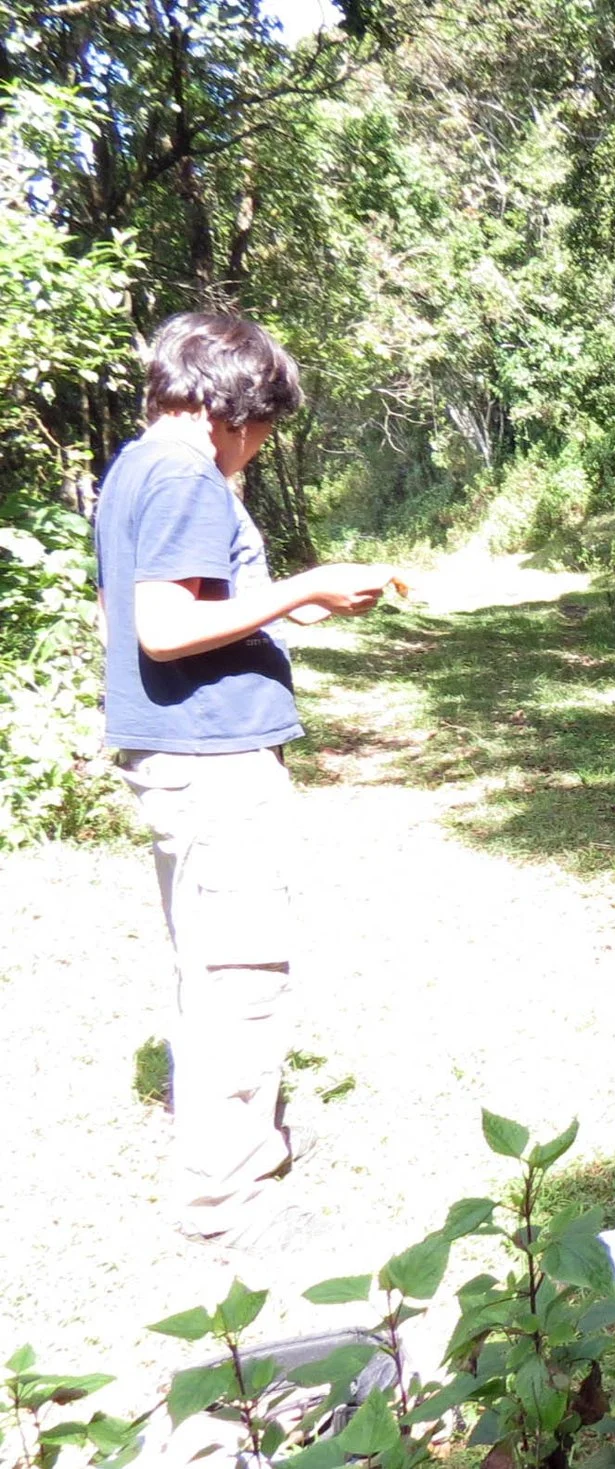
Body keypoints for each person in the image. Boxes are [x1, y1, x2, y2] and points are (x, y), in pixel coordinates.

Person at [93, 312, 399, 1245]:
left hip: (182, 753)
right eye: (263, 427)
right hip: (211, 760)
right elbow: (161, 629)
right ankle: (224, 1199)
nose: (260, 447)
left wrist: (276, 611)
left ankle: (241, 1150)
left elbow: (157, 607)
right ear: (232, 407)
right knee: (241, 971)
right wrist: (303, 587)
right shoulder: (186, 473)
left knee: (212, 961)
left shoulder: (133, 467)